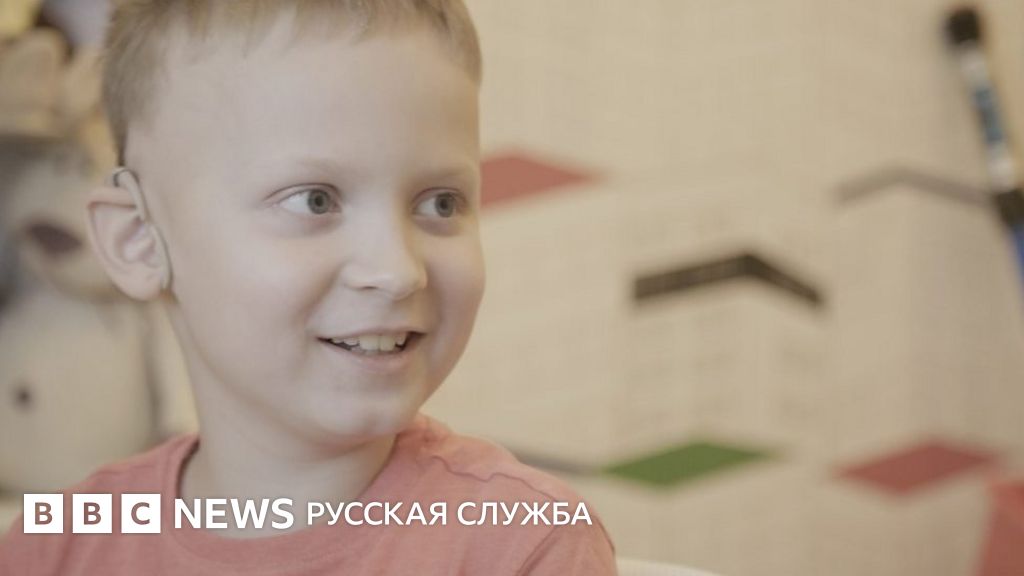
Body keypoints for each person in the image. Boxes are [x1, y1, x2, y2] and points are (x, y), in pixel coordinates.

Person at [0, 1, 618, 573]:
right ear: (139, 239)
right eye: (314, 200)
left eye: (441, 202)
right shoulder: (56, 545)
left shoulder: (520, 544)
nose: (398, 270)